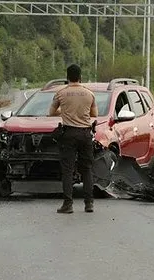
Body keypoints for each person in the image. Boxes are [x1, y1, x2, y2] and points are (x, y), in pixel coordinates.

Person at [49, 64, 98, 214]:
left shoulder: (60, 93)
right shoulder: (89, 94)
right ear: (80, 77)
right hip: (85, 134)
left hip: (69, 134)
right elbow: (94, 114)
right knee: (87, 169)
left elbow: (51, 112)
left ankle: (68, 204)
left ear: (67, 77)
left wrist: (65, 112)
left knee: (68, 170)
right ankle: (89, 203)